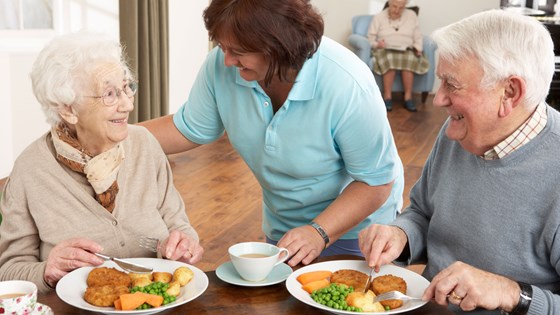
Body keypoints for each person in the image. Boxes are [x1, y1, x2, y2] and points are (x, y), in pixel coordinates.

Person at [140, 0, 404, 267]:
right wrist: (110, 134)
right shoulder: (222, 66)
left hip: (357, 231)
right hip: (285, 228)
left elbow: (376, 182)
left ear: (279, 47)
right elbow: (187, 128)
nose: (228, 60)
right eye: (223, 47)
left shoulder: (347, 83)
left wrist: (318, 232)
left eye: (238, 51)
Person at [359, 9, 559, 314]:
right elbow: (423, 212)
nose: (438, 99)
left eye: (451, 85)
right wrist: (400, 234)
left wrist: (512, 293)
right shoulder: (459, 130)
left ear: (510, 92)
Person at [0, 31, 203, 293]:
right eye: (109, 94)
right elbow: (8, 272)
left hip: (156, 303)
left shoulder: (144, 145)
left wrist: (184, 245)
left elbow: (179, 225)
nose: (127, 104)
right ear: (68, 109)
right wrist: (46, 271)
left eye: (127, 87)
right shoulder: (30, 170)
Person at [367, 0, 429, 112]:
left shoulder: (411, 15)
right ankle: (387, 97)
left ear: (405, 6)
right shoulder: (379, 17)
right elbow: (370, 39)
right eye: (394, 6)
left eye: (401, 7)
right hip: (385, 49)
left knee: (409, 59)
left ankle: (408, 98)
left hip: (406, 48)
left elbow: (418, 35)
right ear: (389, 4)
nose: (397, 10)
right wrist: (377, 44)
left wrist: (418, 48)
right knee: (390, 59)